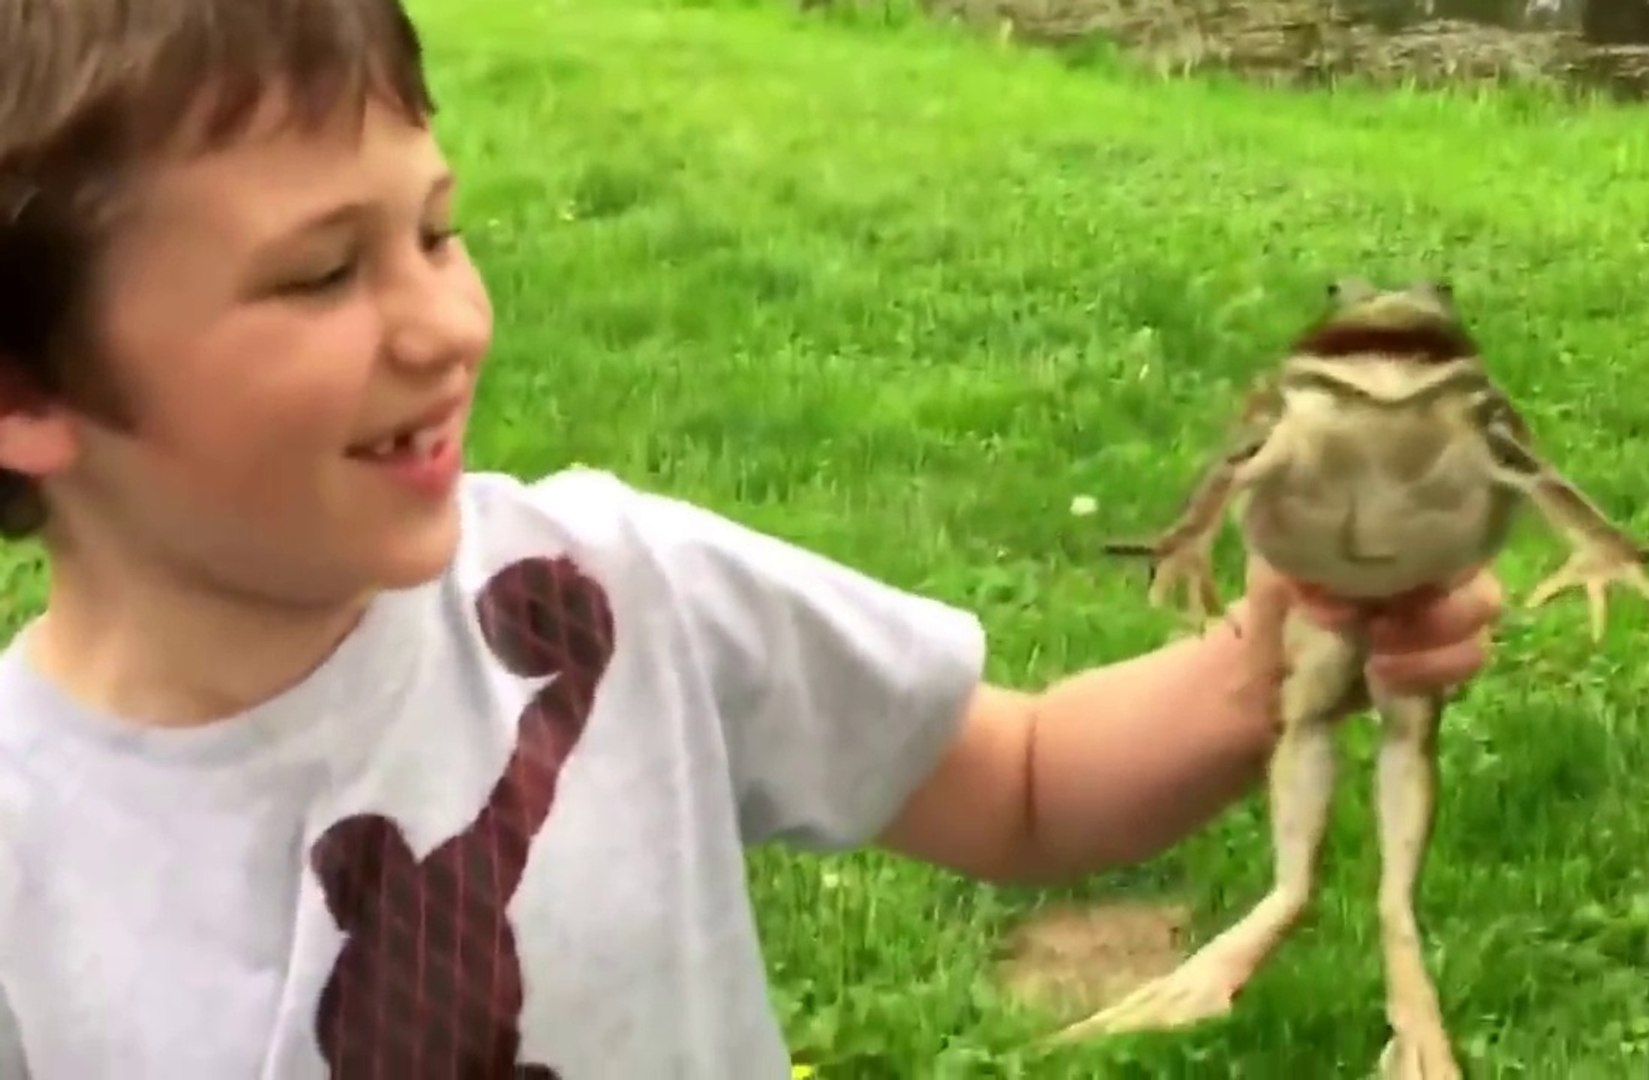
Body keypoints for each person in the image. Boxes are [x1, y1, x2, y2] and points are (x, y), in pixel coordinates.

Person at [0, 0, 1503, 1075]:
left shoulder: (614, 591)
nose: (446, 324)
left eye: (438, 232)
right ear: (33, 387)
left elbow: (1030, 786)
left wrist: (1269, 661)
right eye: (324, 274)